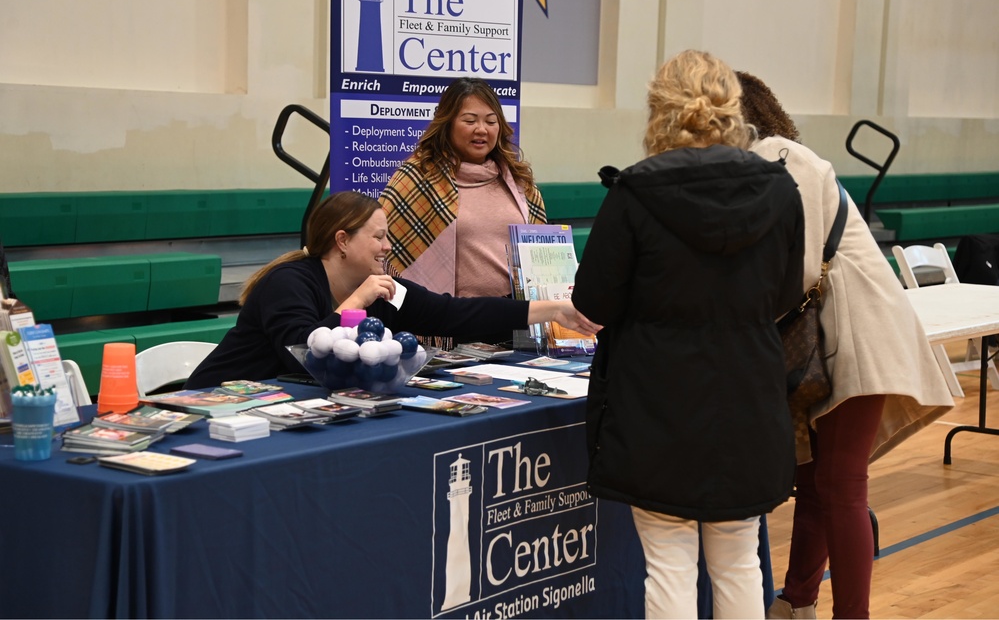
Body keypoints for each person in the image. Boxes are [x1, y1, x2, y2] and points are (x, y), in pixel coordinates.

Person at [571, 50, 805, 619]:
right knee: (739, 561)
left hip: (655, 401)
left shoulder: (634, 192)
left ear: (659, 110)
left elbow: (593, 302)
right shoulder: (779, 189)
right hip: (749, 392)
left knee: (670, 567)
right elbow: (785, 296)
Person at [737, 71, 954, 620]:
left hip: (857, 337)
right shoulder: (768, 160)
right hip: (829, 339)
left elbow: (798, 268)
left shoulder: (780, 156)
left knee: (840, 487)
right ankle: (797, 602)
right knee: (814, 482)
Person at [185, 191, 597, 389]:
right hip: (219, 404)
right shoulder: (288, 282)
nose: (388, 247)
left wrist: (552, 310)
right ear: (343, 240)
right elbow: (302, 355)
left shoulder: (382, 288)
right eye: (379, 238)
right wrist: (358, 302)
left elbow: (452, 315)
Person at [379, 77, 546, 298]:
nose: (481, 129)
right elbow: (380, 245)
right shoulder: (418, 177)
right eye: (470, 121)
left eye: (490, 121)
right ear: (447, 124)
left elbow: (542, 254)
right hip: (451, 319)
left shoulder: (519, 181)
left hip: (517, 316)